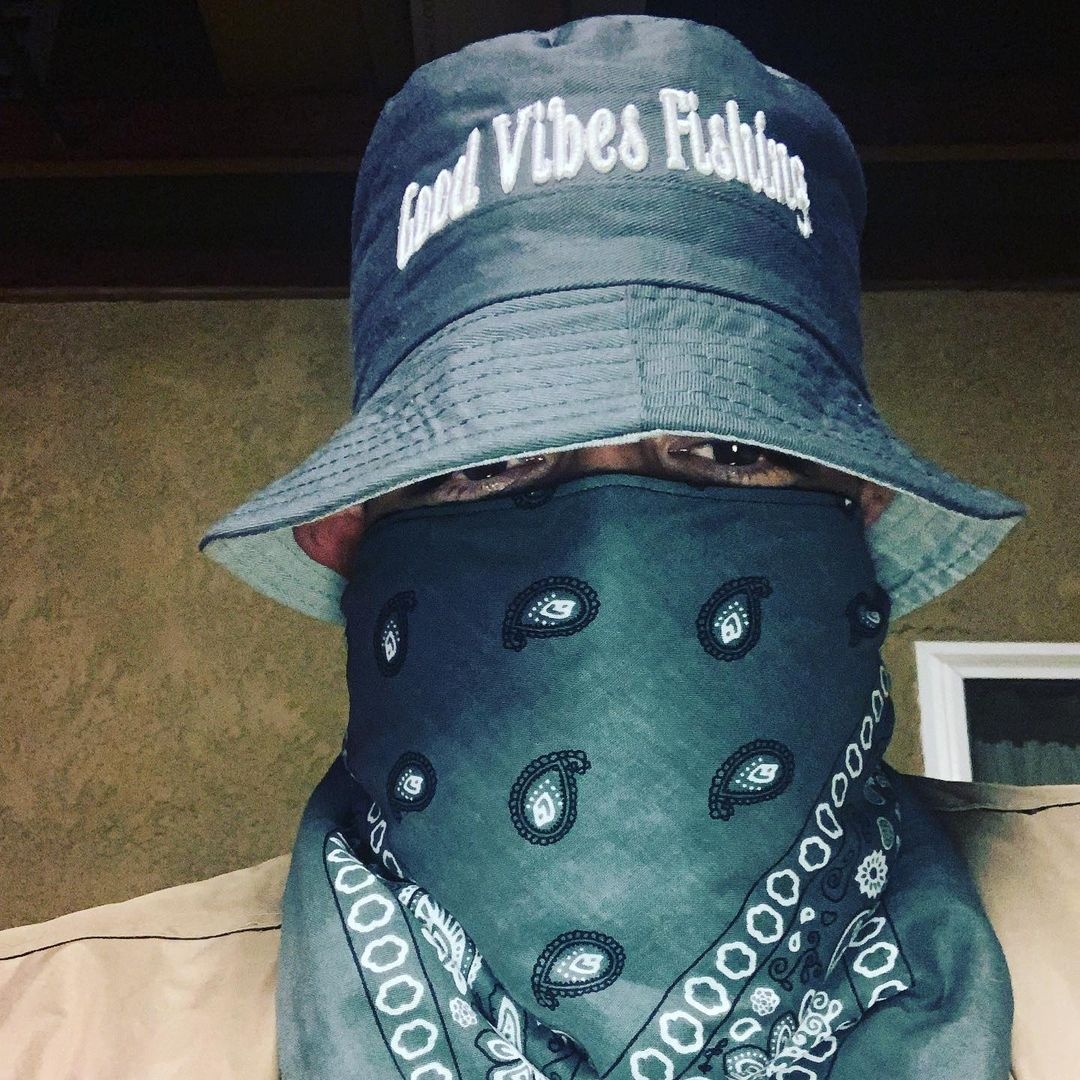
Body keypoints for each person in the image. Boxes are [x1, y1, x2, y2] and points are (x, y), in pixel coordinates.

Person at [3, 13, 1059, 1080]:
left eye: (730, 450)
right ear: (348, 541)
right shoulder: (51, 1033)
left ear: (863, 513)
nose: (610, 553)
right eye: (492, 465)